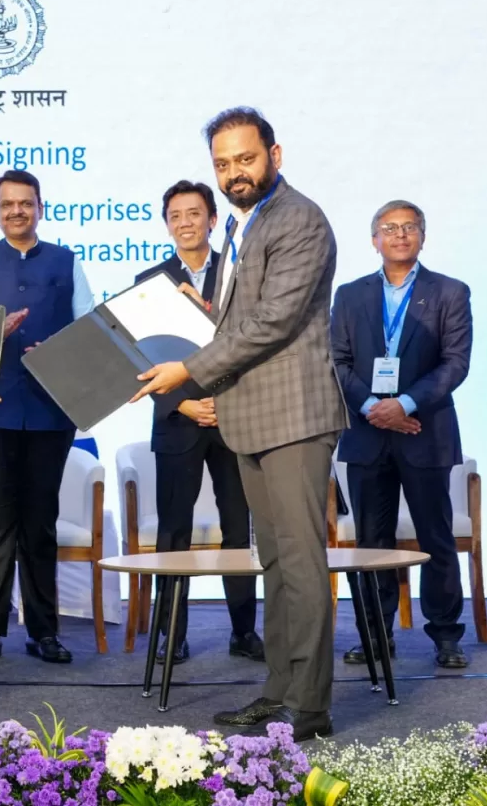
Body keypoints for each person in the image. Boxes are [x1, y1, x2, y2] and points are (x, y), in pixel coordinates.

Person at [133, 108, 349, 741]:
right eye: (222, 164)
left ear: (274, 156)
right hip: (251, 418)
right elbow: (237, 321)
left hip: (294, 417)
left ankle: (308, 706)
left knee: (301, 565)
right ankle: (280, 691)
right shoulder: (242, 224)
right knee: (276, 563)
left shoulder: (299, 219)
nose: (235, 173)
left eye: (246, 159)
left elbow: (273, 322)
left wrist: (186, 370)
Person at [0, 169, 93, 666]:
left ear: (40, 208)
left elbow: (89, 330)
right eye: (7, 204)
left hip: (51, 413)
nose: (17, 211)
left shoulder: (67, 261)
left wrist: (58, 351)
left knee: (40, 526)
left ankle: (44, 632)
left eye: (26, 203)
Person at [330, 199, 472, 668]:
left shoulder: (450, 292)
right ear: (375, 240)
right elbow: (336, 361)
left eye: (409, 227)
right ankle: (375, 636)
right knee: (371, 545)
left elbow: (455, 364)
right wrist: (374, 407)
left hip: (424, 431)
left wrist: (405, 404)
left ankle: (446, 637)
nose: (400, 235)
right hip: (367, 434)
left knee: (436, 538)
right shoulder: (349, 295)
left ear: (422, 237)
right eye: (389, 228)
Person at [135, 180, 263, 665]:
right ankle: (171, 634)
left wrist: (223, 402)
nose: (185, 223)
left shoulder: (239, 271)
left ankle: (244, 632)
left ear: (212, 220)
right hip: (178, 421)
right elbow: (138, 356)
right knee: (174, 532)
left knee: (239, 529)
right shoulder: (150, 282)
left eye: (194, 214)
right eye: (176, 216)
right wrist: (181, 404)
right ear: (167, 225)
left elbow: (252, 342)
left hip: (234, 419)